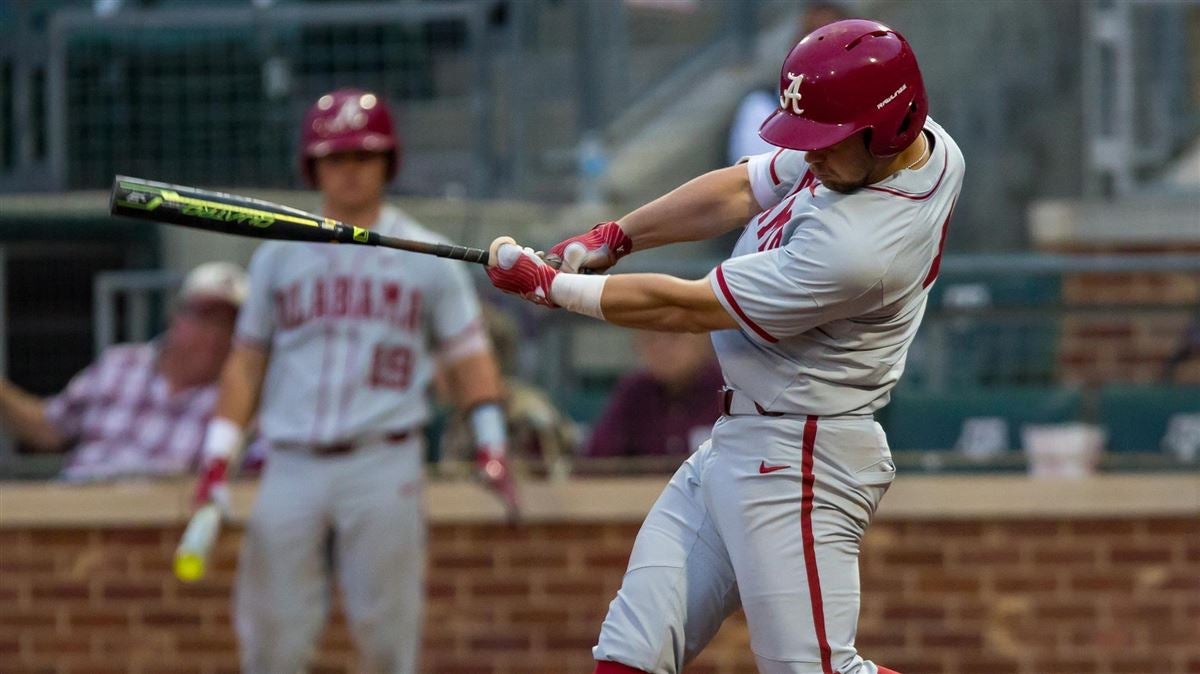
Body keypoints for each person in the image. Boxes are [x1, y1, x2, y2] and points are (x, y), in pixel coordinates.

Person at [487, 19, 963, 674]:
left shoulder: (860, 251)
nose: (811, 155)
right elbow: (741, 188)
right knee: (628, 657)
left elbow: (686, 306)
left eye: (826, 141)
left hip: (802, 455)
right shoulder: (916, 145)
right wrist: (614, 237)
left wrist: (554, 288)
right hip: (741, 439)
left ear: (889, 128)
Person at [192, 88, 514, 674]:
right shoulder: (277, 256)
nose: (349, 171)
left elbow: (468, 352)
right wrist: (219, 456)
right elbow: (246, 362)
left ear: (386, 162)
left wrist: (490, 438)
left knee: (388, 637)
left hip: (382, 458)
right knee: (272, 638)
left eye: (362, 156)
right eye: (335, 158)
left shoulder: (425, 252)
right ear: (313, 165)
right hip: (290, 461)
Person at [0, 262, 245, 481]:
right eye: (204, 318)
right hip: (77, 502)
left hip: (159, 521)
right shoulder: (121, 363)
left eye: (229, 324)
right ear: (175, 317)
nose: (215, 335)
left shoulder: (240, 397)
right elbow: (49, 428)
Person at [726, 1, 851, 166]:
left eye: (833, 41)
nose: (820, 50)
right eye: (810, 37)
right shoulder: (761, 104)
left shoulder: (871, 102)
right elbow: (751, 175)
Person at [585, 330, 723, 463]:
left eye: (674, 337)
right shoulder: (634, 392)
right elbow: (596, 461)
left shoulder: (729, 388)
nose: (661, 348)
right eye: (650, 339)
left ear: (704, 338)